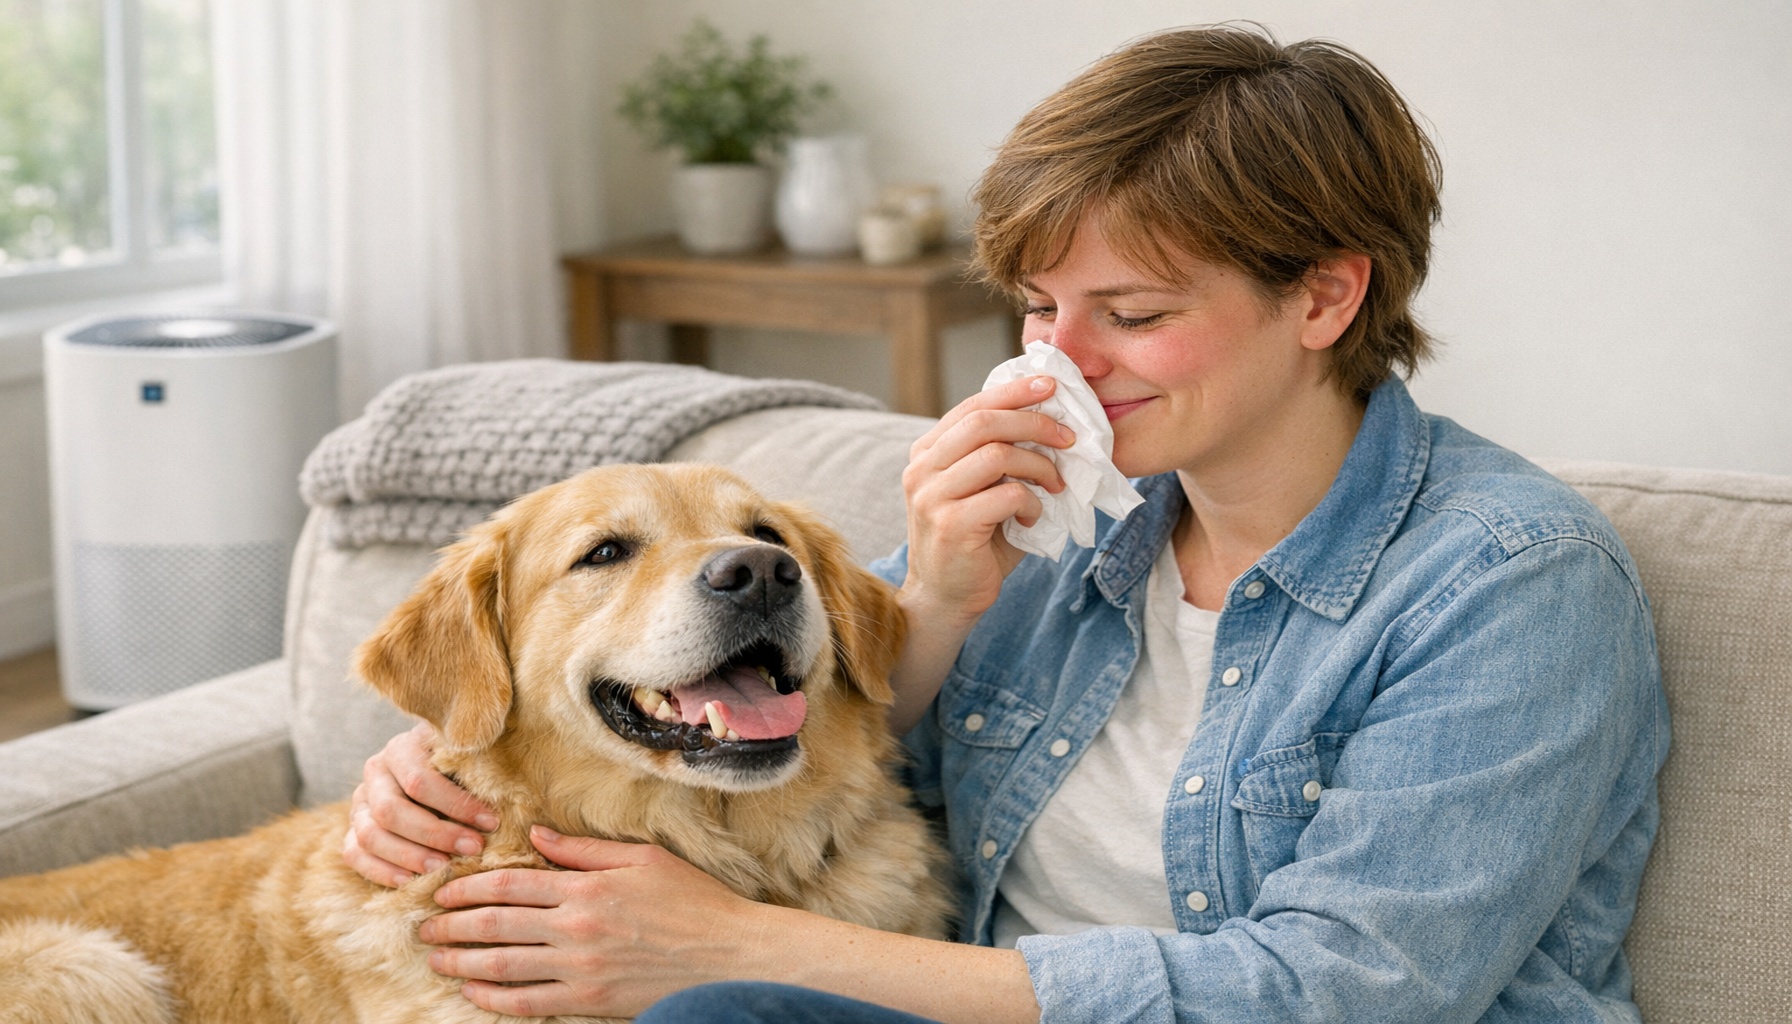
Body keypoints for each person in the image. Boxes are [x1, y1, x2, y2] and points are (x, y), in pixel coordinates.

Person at [342, 24, 1667, 1023]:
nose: (1064, 361)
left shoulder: (1513, 584)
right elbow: (807, 753)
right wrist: (443, 766)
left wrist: (743, 948)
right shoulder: (1058, 516)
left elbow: (1333, 992)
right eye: (1040, 309)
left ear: (1324, 299)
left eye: (1133, 314)